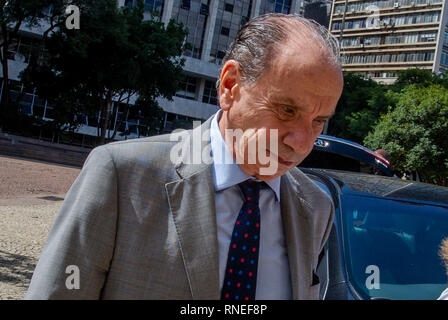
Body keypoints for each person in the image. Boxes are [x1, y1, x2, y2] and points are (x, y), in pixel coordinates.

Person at [25, 13, 343, 300]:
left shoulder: (316, 207)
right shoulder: (121, 175)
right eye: (287, 110)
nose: (302, 143)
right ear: (231, 86)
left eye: (318, 121)